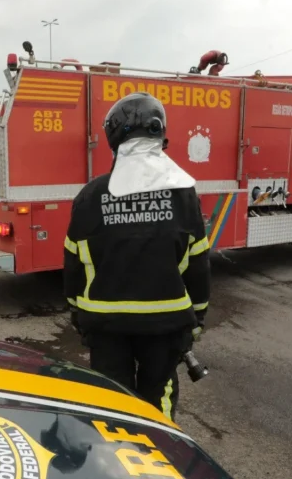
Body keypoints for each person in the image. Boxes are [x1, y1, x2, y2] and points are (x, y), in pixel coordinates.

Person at [63, 92, 209, 419]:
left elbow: (74, 263)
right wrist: (196, 317)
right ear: (159, 135)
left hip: (105, 326)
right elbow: (197, 263)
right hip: (166, 324)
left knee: (112, 402)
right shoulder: (183, 194)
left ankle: (117, 461)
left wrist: (77, 312)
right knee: (159, 398)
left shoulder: (89, 196)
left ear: (113, 140)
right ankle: (159, 459)